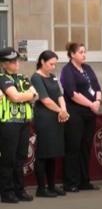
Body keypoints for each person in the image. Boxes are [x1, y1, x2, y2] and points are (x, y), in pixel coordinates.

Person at [60, 42, 102, 192]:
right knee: (73, 147)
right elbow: (72, 94)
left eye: (85, 52)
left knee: (86, 147)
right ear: (72, 54)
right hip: (75, 113)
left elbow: (97, 87)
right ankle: (70, 182)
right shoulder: (67, 70)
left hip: (89, 114)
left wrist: (97, 101)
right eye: (81, 52)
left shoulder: (88, 68)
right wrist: (91, 105)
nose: (84, 55)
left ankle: (84, 180)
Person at [0, 47, 37, 203]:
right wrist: (26, 95)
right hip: (8, 123)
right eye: (12, 61)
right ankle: (6, 192)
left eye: (17, 60)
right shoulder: (2, 78)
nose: (16, 63)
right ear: (3, 64)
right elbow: (15, 97)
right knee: (8, 159)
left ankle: (19, 189)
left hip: (23, 122)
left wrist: (25, 95)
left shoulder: (22, 77)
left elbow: (36, 95)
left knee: (20, 158)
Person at [31, 50, 68, 197]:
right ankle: (41, 188)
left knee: (53, 153)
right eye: (51, 64)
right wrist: (61, 111)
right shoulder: (36, 78)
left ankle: (52, 186)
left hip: (56, 117)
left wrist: (63, 110)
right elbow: (45, 99)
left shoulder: (52, 77)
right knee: (43, 153)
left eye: (55, 64)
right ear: (42, 62)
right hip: (44, 119)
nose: (53, 67)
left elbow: (59, 95)